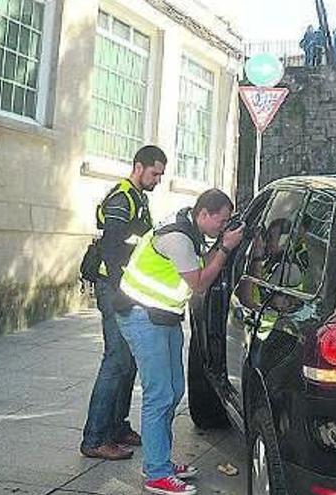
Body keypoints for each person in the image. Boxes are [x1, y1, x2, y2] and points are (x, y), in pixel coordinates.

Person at [117, 189, 245, 495]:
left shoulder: (190, 225)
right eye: (222, 220)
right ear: (204, 214)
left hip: (163, 316)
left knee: (174, 390)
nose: (223, 227)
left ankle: (160, 459)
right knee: (159, 394)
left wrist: (220, 243)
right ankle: (156, 474)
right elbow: (199, 284)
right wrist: (226, 249)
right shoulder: (179, 238)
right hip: (142, 316)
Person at [80, 145, 167, 461]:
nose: (158, 179)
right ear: (138, 166)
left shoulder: (138, 197)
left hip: (125, 289)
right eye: (155, 173)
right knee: (116, 360)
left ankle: (117, 427)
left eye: (160, 174)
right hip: (114, 289)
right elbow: (113, 250)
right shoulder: (122, 198)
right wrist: (121, 294)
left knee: (128, 361)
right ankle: (95, 437)